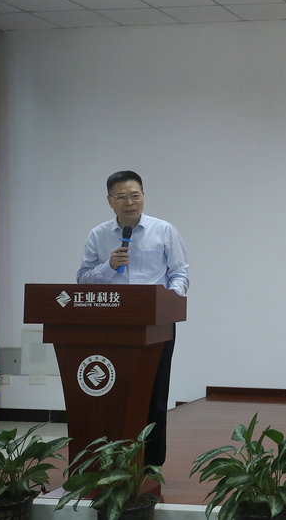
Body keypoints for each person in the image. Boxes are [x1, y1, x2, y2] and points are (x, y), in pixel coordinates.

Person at [77, 170, 188, 466]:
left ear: (143, 197)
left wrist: (170, 301)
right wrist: (109, 266)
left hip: (157, 323)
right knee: (113, 391)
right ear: (110, 201)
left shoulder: (164, 230)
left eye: (135, 195)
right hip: (112, 323)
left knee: (154, 392)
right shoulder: (98, 235)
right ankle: (112, 458)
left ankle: (151, 462)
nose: (130, 202)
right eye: (122, 197)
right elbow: (83, 279)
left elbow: (179, 273)